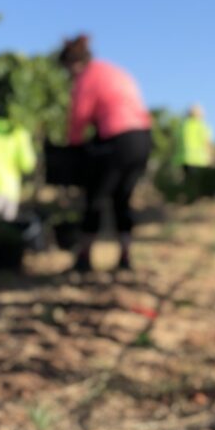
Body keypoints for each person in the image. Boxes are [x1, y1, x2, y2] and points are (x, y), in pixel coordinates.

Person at [58, 34, 152, 272]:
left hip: (116, 139)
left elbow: (78, 117)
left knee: (96, 197)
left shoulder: (87, 77)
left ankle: (84, 257)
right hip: (142, 138)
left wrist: (73, 148)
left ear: (72, 64)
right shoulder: (114, 70)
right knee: (123, 198)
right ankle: (125, 257)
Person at [173, 104, 215, 201]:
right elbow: (207, 142)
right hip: (200, 159)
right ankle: (199, 199)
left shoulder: (182, 125)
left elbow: (175, 143)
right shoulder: (201, 125)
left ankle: (189, 199)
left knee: (188, 182)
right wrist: (213, 157)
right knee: (200, 183)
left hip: (184, 159)